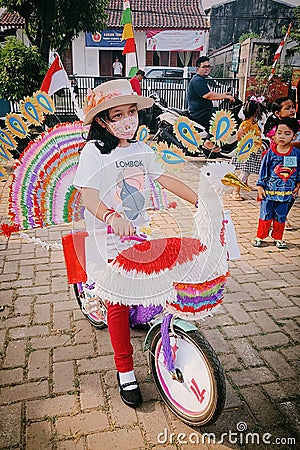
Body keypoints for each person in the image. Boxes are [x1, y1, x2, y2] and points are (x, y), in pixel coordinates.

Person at [73, 79, 198, 408]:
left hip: (139, 231)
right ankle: (125, 370)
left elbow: (164, 178)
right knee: (117, 302)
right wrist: (111, 216)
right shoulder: (94, 151)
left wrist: (200, 200)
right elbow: (87, 196)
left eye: (132, 111)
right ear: (102, 120)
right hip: (107, 236)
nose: (129, 119)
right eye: (119, 114)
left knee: (152, 282)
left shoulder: (142, 149)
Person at [252, 117, 300, 249]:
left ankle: (278, 237)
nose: (282, 136)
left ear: (294, 136)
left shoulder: (295, 154)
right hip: (269, 192)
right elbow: (264, 170)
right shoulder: (270, 154)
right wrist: (260, 186)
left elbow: (297, 171)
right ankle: (260, 236)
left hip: (286, 193)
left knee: (281, 215)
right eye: (279, 133)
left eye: (287, 133)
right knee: (265, 214)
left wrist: (298, 184)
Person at [263, 97, 300, 229]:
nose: (292, 110)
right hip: (278, 165)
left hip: (291, 162)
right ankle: (274, 219)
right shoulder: (276, 128)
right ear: (278, 113)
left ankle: (282, 217)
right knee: (276, 193)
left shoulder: (295, 124)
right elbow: (279, 143)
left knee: (291, 193)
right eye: (287, 108)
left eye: (292, 107)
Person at [230, 97, 266, 201]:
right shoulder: (246, 124)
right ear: (256, 111)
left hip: (252, 151)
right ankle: (235, 191)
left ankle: (244, 184)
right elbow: (238, 136)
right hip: (247, 151)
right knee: (245, 172)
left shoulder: (252, 123)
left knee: (247, 171)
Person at [187, 56, 235, 133]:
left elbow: (210, 94)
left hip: (205, 111)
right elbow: (208, 95)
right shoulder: (197, 80)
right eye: (204, 67)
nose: (207, 69)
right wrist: (224, 96)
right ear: (197, 69)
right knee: (223, 122)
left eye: (208, 66)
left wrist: (223, 95)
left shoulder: (201, 79)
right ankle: (212, 143)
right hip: (200, 113)